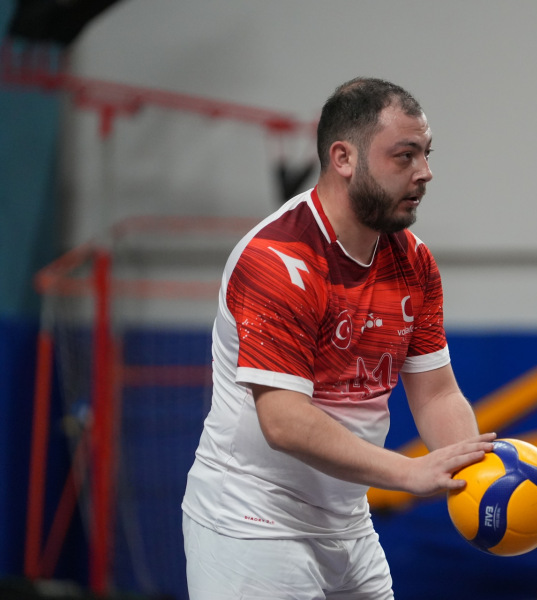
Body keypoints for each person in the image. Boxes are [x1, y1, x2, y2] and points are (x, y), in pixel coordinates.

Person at [181, 77, 495, 599]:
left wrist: (473, 475)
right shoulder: (277, 260)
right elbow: (284, 420)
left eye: (427, 154)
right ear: (344, 158)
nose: (425, 172)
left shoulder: (414, 261)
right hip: (251, 520)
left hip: (347, 522)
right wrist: (409, 473)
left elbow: (437, 394)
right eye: (405, 155)